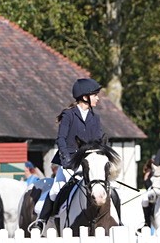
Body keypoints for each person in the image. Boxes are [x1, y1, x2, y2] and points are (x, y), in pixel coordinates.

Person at [30, 78, 105, 231]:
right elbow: (61, 139)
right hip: (69, 160)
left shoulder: (95, 118)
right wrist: (67, 160)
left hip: (88, 162)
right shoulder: (69, 115)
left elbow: (98, 141)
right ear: (85, 97)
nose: (98, 98)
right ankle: (41, 221)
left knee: (105, 187)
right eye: (95, 95)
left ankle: (117, 220)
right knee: (56, 189)